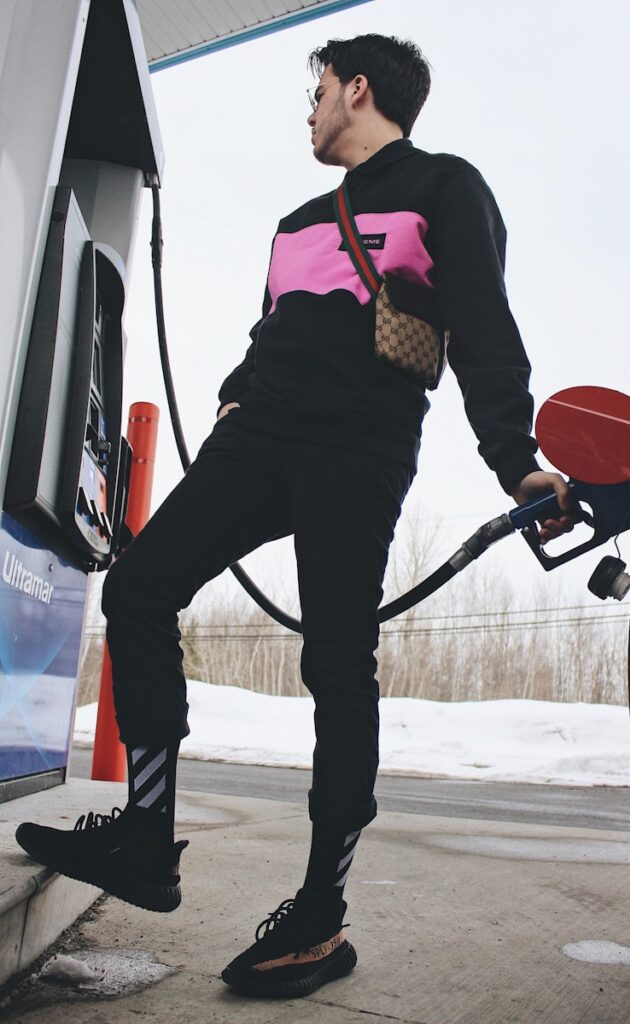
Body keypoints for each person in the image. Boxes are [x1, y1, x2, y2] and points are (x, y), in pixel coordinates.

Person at [16, 33, 576, 1000]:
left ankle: (320, 916)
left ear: (356, 89)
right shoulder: (294, 222)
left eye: (316, 92)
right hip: (257, 438)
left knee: (335, 661)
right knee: (140, 589)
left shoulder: (444, 186)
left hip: (359, 447)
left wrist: (514, 462)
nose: (308, 112)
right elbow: (270, 326)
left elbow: (482, 326)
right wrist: (235, 395)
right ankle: (146, 835)